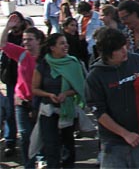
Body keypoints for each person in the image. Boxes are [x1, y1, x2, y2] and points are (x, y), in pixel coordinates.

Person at [85, 27, 139, 169]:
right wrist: (125, 134)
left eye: (125, 46)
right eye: (119, 49)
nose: (125, 51)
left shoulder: (138, 61)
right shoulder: (95, 77)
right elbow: (99, 113)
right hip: (113, 143)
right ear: (107, 54)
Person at [31, 33, 85, 168]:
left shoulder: (73, 63)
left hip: (66, 110)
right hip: (48, 111)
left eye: (66, 43)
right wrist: (49, 95)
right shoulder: (43, 65)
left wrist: (66, 93)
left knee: (68, 146)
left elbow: (79, 87)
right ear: (52, 48)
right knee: (51, 146)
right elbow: (35, 89)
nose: (66, 46)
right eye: (61, 43)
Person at [0, 14, 46, 169]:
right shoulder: (21, 54)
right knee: (26, 136)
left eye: (30, 39)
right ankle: (29, 165)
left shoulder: (46, 58)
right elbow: (3, 44)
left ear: (38, 41)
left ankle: (42, 161)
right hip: (22, 102)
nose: (26, 42)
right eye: (24, 40)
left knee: (41, 135)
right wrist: (7, 28)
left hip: (40, 102)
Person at [0, 11, 29, 158]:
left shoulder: (27, 36)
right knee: (11, 112)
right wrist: (6, 27)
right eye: (12, 20)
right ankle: (10, 141)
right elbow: (2, 44)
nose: (14, 23)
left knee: (28, 112)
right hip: (12, 78)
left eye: (17, 20)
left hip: (26, 79)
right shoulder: (9, 36)